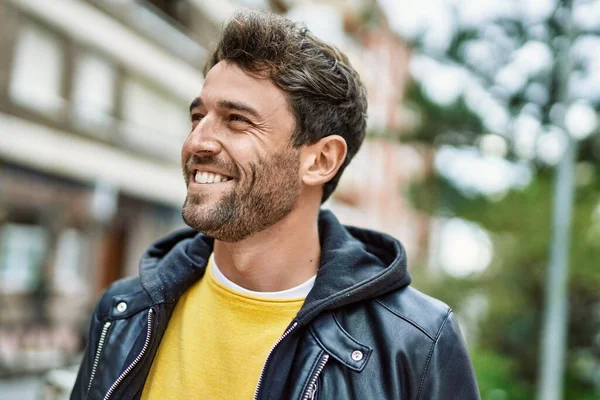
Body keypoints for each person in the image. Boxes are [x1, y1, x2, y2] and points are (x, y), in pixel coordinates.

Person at [71, 10, 480, 400]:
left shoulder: (415, 343)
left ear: (320, 160)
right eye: (198, 117)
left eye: (237, 120)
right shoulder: (123, 313)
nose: (197, 142)